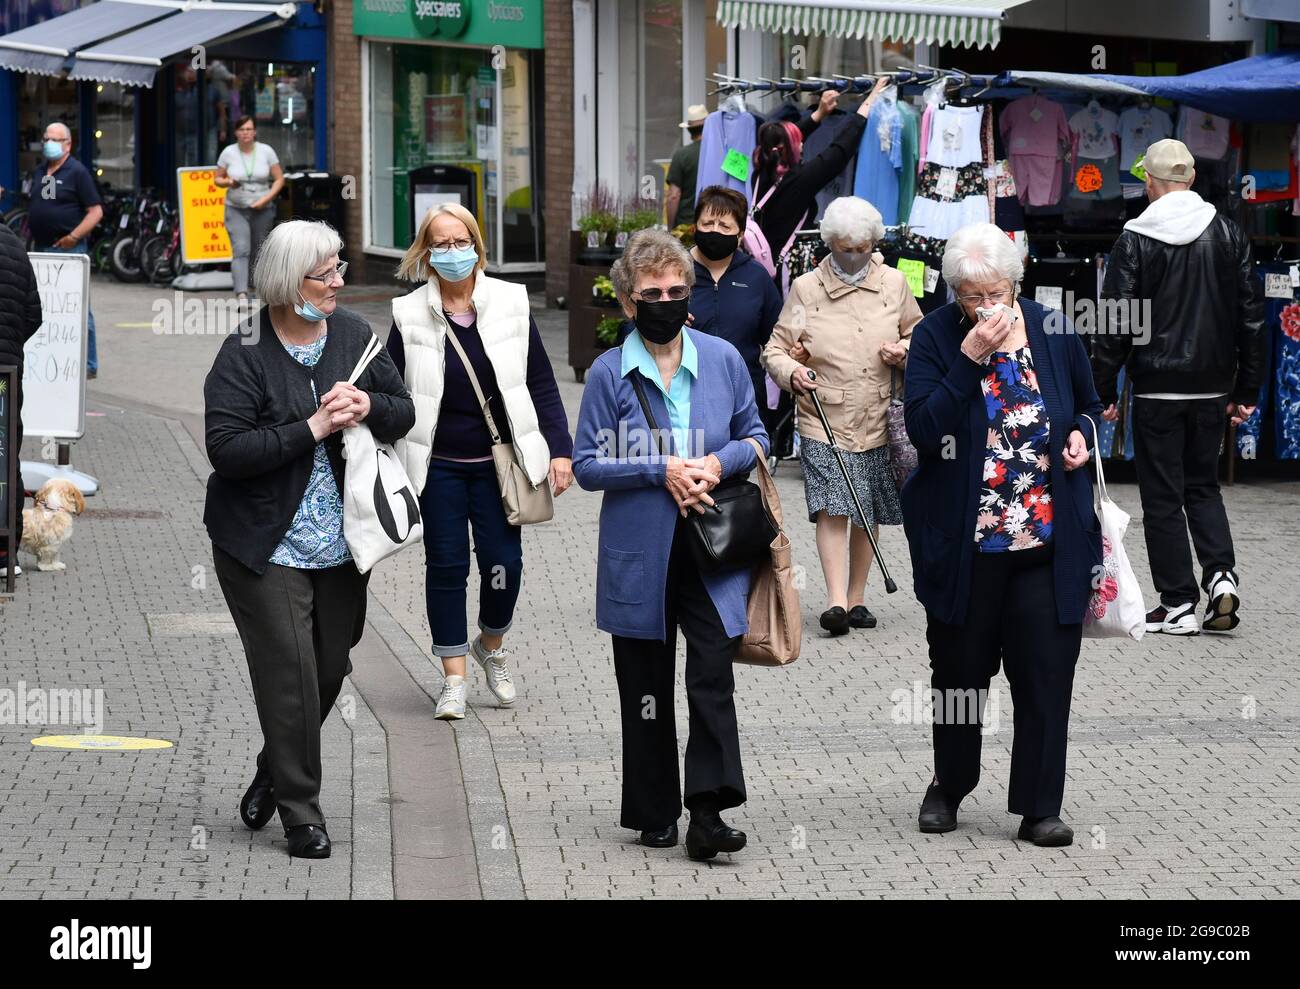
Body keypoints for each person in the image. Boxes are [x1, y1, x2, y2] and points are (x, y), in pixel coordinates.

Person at [204, 220, 415, 859]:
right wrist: (314, 425)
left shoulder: (353, 335)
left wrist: (367, 408)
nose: (338, 283)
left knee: (329, 665)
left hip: (345, 540)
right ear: (285, 281)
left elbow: (402, 410)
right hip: (264, 543)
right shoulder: (243, 349)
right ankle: (302, 812)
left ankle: (274, 766)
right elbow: (228, 450)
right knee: (291, 672)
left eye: (339, 269)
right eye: (325, 275)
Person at [902, 222, 1101, 847]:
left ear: (1017, 284)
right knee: (960, 674)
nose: (986, 308)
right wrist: (969, 362)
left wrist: (1083, 436)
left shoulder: (1052, 327)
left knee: (1046, 675)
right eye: (972, 297)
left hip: (1045, 541)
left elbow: (1093, 406)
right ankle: (949, 783)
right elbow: (924, 433)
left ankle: (1040, 805)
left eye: (997, 294)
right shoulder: (935, 338)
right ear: (953, 293)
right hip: (968, 544)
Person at [572, 228, 769, 861]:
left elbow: (758, 437)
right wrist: (659, 470)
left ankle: (708, 812)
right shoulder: (608, 372)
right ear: (629, 302)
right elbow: (586, 464)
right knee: (645, 686)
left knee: (711, 677)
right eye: (652, 291)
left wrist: (714, 462)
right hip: (640, 551)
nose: (666, 299)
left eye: (677, 289)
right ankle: (654, 809)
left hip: (714, 547)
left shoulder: (723, 359)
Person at [387, 203, 573, 720]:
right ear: (426, 254)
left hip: (499, 465)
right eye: (440, 244)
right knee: (445, 567)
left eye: (459, 241)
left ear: (476, 245)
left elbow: (539, 379)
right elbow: (393, 390)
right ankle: (453, 678)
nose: (452, 252)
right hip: (437, 464)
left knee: (502, 565)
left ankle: (490, 645)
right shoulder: (409, 312)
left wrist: (560, 450)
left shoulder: (512, 302)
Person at [1093, 138, 1265, 636]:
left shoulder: (1136, 236)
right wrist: (1247, 390)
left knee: (1164, 497)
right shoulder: (1229, 233)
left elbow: (1116, 323)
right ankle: (1221, 576)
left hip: (1156, 389)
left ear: (1152, 181)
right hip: (1212, 388)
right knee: (1203, 487)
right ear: (1189, 180)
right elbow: (1251, 320)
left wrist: (1102, 390)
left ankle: (1178, 604)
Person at [763, 196, 921, 634]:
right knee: (833, 506)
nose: (854, 256)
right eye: (845, 248)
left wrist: (903, 351)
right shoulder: (805, 288)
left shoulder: (894, 284)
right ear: (829, 243)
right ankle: (834, 601)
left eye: (862, 247)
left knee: (864, 507)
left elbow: (919, 335)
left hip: (877, 414)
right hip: (824, 416)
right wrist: (793, 371)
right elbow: (775, 348)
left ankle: (857, 598)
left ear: (874, 243)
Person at [750, 78, 891, 286]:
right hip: (786, 271)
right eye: (798, 143)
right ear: (790, 148)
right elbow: (840, 151)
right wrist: (869, 101)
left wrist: (820, 113)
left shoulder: (762, 170)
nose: (802, 145)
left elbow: (787, 138)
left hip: (763, 264)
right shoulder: (800, 180)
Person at [687, 185, 784, 448]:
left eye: (725, 226)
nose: (715, 231)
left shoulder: (756, 277)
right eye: (708, 222)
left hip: (742, 396)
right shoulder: (674, 272)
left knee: (736, 476)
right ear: (694, 227)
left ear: (740, 235)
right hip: (684, 395)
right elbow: (633, 326)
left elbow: (777, 337)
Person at [27, 122, 101, 378]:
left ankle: (89, 364)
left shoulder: (77, 172)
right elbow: (45, 202)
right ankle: (55, 357)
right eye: (46, 137)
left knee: (78, 307)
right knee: (46, 307)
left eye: (54, 139)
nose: (48, 142)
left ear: (68, 144)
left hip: (68, 249)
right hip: (42, 249)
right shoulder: (42, 171)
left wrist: (74, 235)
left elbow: (95, 211)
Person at [0, 223, 44, 579]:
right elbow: (34, 314)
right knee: (5, 455)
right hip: (7, 373)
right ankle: (5, 553)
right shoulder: (17, 247)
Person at [215, 116, 285, 300]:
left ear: (254, 132)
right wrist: (229, 182)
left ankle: (255, 287)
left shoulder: (266, 151)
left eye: (249, 129)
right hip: (236, 208)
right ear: (236, 132)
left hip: (262, 208)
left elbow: (279, 179)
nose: (245, 133)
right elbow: (217, 179)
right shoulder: (228, 153)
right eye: (242, 129)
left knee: (259, 249)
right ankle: (242, 293)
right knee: (241, 248)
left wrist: (266, 199)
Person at [665, 104, 707, 228]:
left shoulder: (681, 155)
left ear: (689, 130)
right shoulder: (720, 153)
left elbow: (674, 196)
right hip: (713, 222)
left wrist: (671, 228)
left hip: (686, 227)